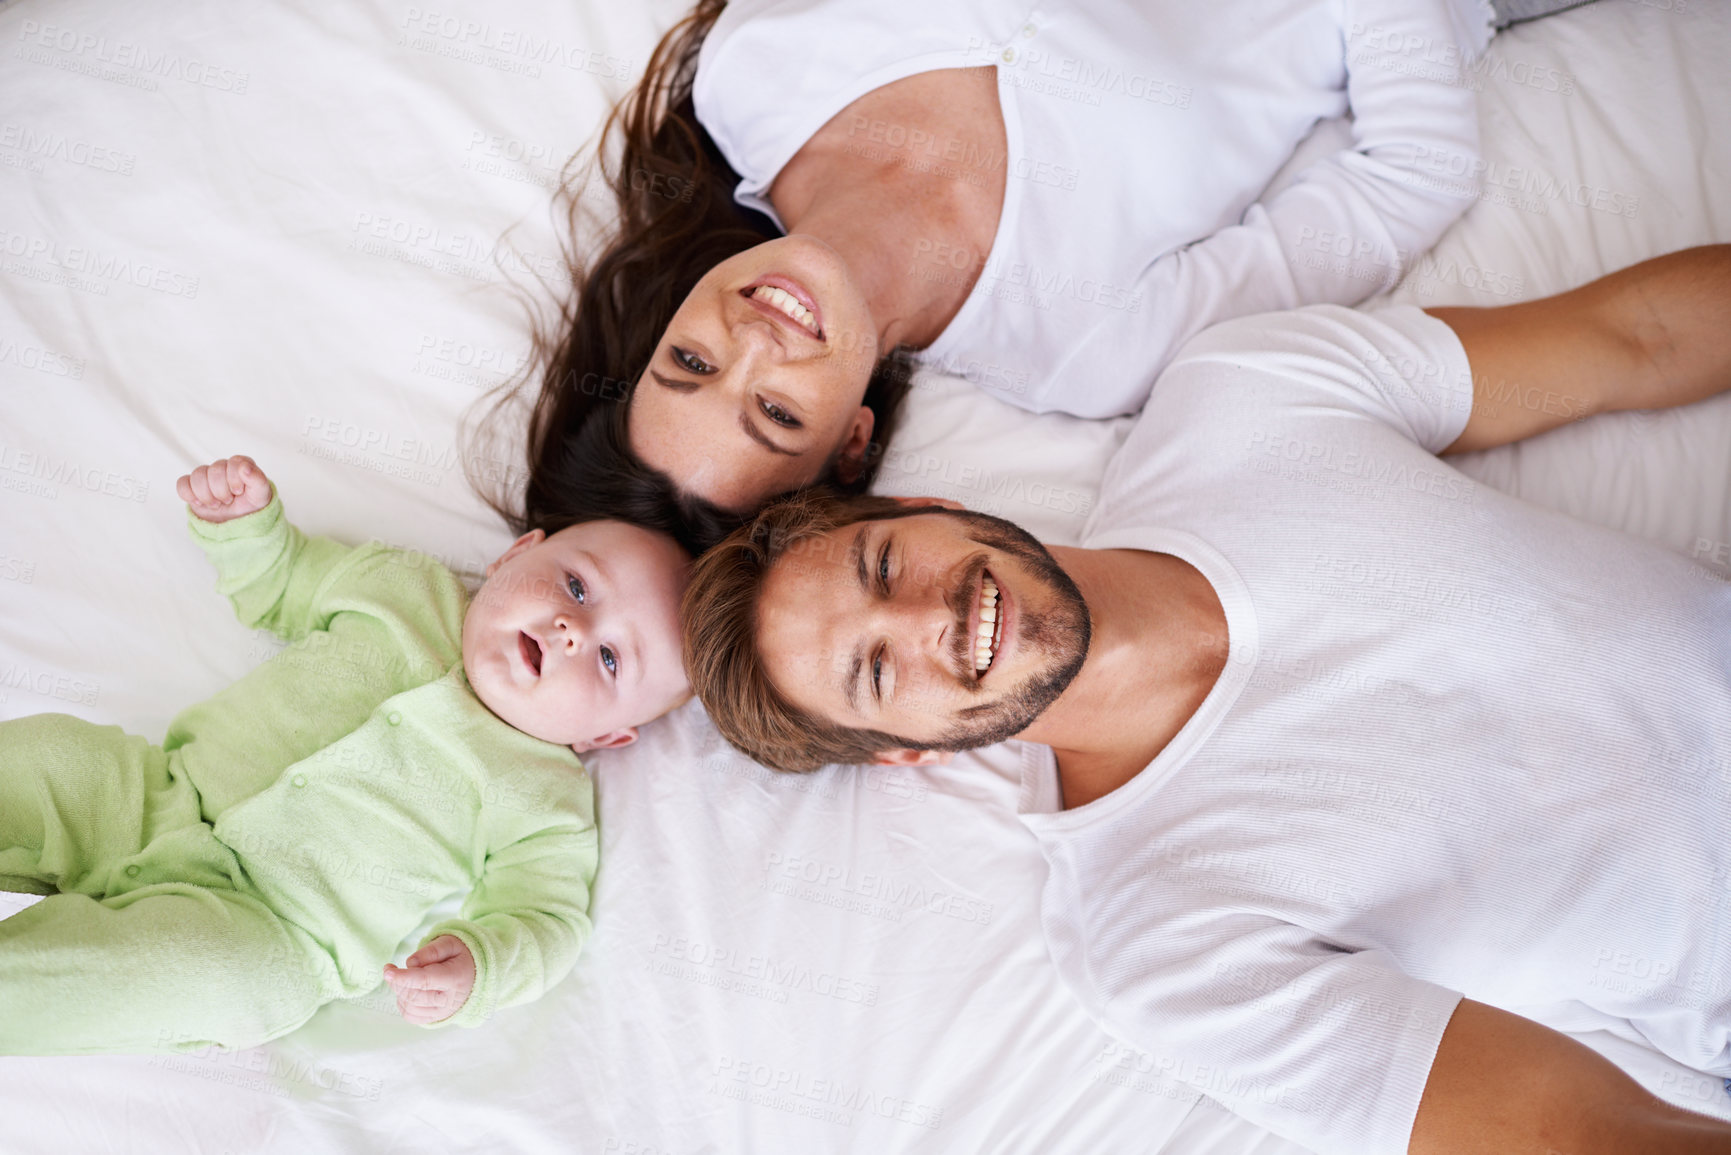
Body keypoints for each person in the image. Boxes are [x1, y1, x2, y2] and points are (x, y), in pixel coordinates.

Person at [679, 245, 1731, 1153]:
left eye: (881, 566)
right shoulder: (1155, 942)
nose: (927, 620)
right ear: (902, 753)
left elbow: (1632, 339)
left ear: (926, 507)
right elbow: (1576, 1133)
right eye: (876, 670)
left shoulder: (1240, 397)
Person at [506, 0, 1493, 547]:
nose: (755, 344)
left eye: (691, 361)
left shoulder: (751, 73)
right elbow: (1416, 175)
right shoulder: (1084, 345)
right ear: (851, 443)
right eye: (776, 413)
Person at [0, 455, 691, 1054]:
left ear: (605, 736)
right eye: (575, 585)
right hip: (156, 792)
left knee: (203, 979)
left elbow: (546, 921)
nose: (572, 629)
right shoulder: (402, 587)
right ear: (515, 554)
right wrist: (246, 528)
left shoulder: (546, 800)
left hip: (268, 927)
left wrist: (479, 964)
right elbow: (285, 582)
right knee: (53, 760)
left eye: (608, 658)